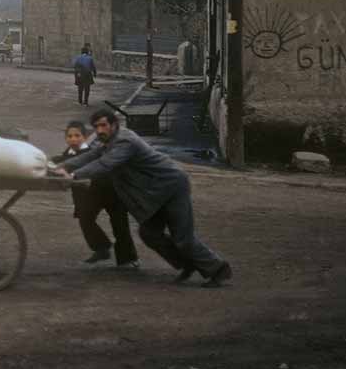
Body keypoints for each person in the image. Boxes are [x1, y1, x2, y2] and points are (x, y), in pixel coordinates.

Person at [53, 108, 232, 287]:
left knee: (183, 237)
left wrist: (74, 176)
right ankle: (187, 264)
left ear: (114, 125)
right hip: (155, 193)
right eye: (96, 126)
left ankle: (218, 269)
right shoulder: (109, 142)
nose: (99, 130)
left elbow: (105, 164)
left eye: (103, 125)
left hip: (172, 186)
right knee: (149, 233)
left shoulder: (124, 141)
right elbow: (91, 156)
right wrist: (60, 167)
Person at [52, 121, 138, 268]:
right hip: (89, 195)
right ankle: (102, 248)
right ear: (65, 138)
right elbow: (62, 162)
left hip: (111, 191)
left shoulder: (92, 152)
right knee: (85, 219)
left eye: (77, 136)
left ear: (85, 137)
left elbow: (94, 166)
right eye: (70, 136)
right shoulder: (67, 154)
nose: (73, 139)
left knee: (119, 224)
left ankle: (128, 259)